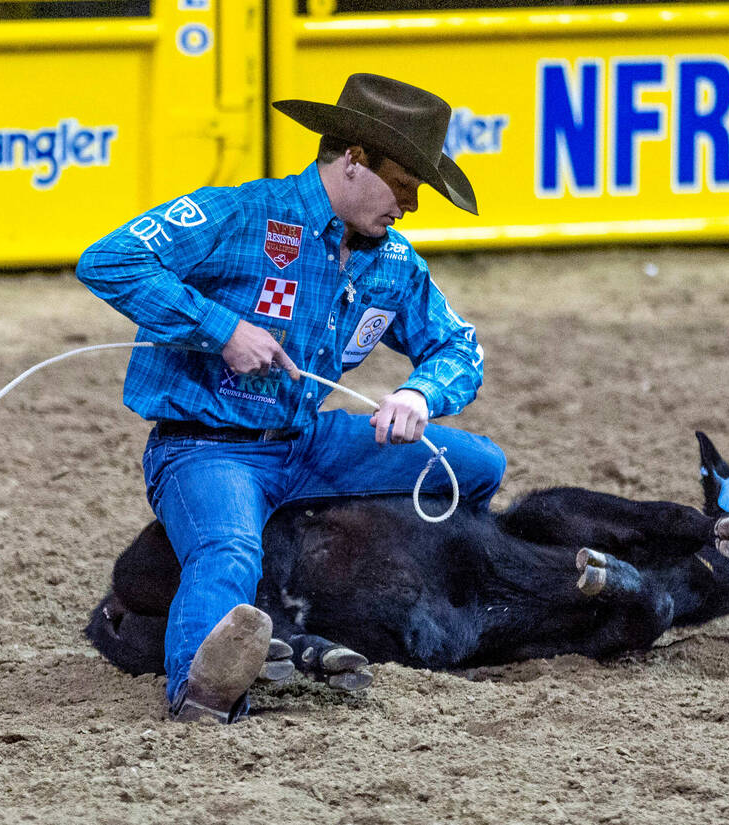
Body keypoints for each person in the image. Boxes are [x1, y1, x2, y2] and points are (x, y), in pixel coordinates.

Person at [76, 73, 506, 723]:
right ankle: (199, 691)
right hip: (204, 446)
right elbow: (111, 259)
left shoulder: (392, 263)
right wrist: (222, 330)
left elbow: (459, 349)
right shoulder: (241, 214)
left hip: (308, 443)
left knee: (479, 466)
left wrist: (420, 391)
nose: (412, 206)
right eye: (407, 184)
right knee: (228, 553)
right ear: (355, 162)